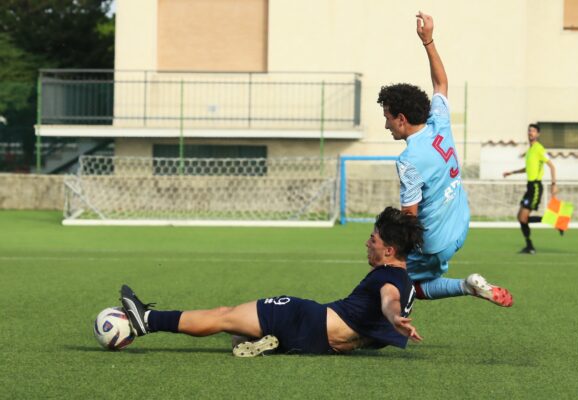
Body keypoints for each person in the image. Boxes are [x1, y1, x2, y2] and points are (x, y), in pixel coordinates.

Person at [120, 207, 424, 357]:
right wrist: (395, 320)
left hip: (304, 317)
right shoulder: (406, 282)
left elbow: (388, 300)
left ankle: (146, 319)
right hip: (320, 345)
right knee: (238, 334)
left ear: (389, 250)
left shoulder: (387, 280)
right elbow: (372, 331)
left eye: (372, 239)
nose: (366, 244)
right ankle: (268, 343)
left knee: (225, 316)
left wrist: (395, 316)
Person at [377, 12, 513, 306]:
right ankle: (468, 286)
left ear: (401, 119)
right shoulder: (438, 121)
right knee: (413, 283)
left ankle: (464, 287)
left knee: (392, 285)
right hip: (460, 224)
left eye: (387, 118)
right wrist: (428, 41)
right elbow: (441, 83)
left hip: (435, 242)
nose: (386, 125)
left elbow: (410, 217)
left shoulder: (409, 160)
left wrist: (393, 253)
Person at [503, 123, 559, 254]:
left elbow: (552, 166)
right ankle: (529, 246)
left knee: (523, 218)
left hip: (535, 187)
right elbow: (528, 168)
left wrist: (554, 184)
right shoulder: (530, 150)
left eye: (533, 131)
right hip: (529, 187)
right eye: (529, 131)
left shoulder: (539, 149)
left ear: (538, 134)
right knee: (520, 218)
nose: (530, 133)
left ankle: (552, 220)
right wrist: (512, 173)